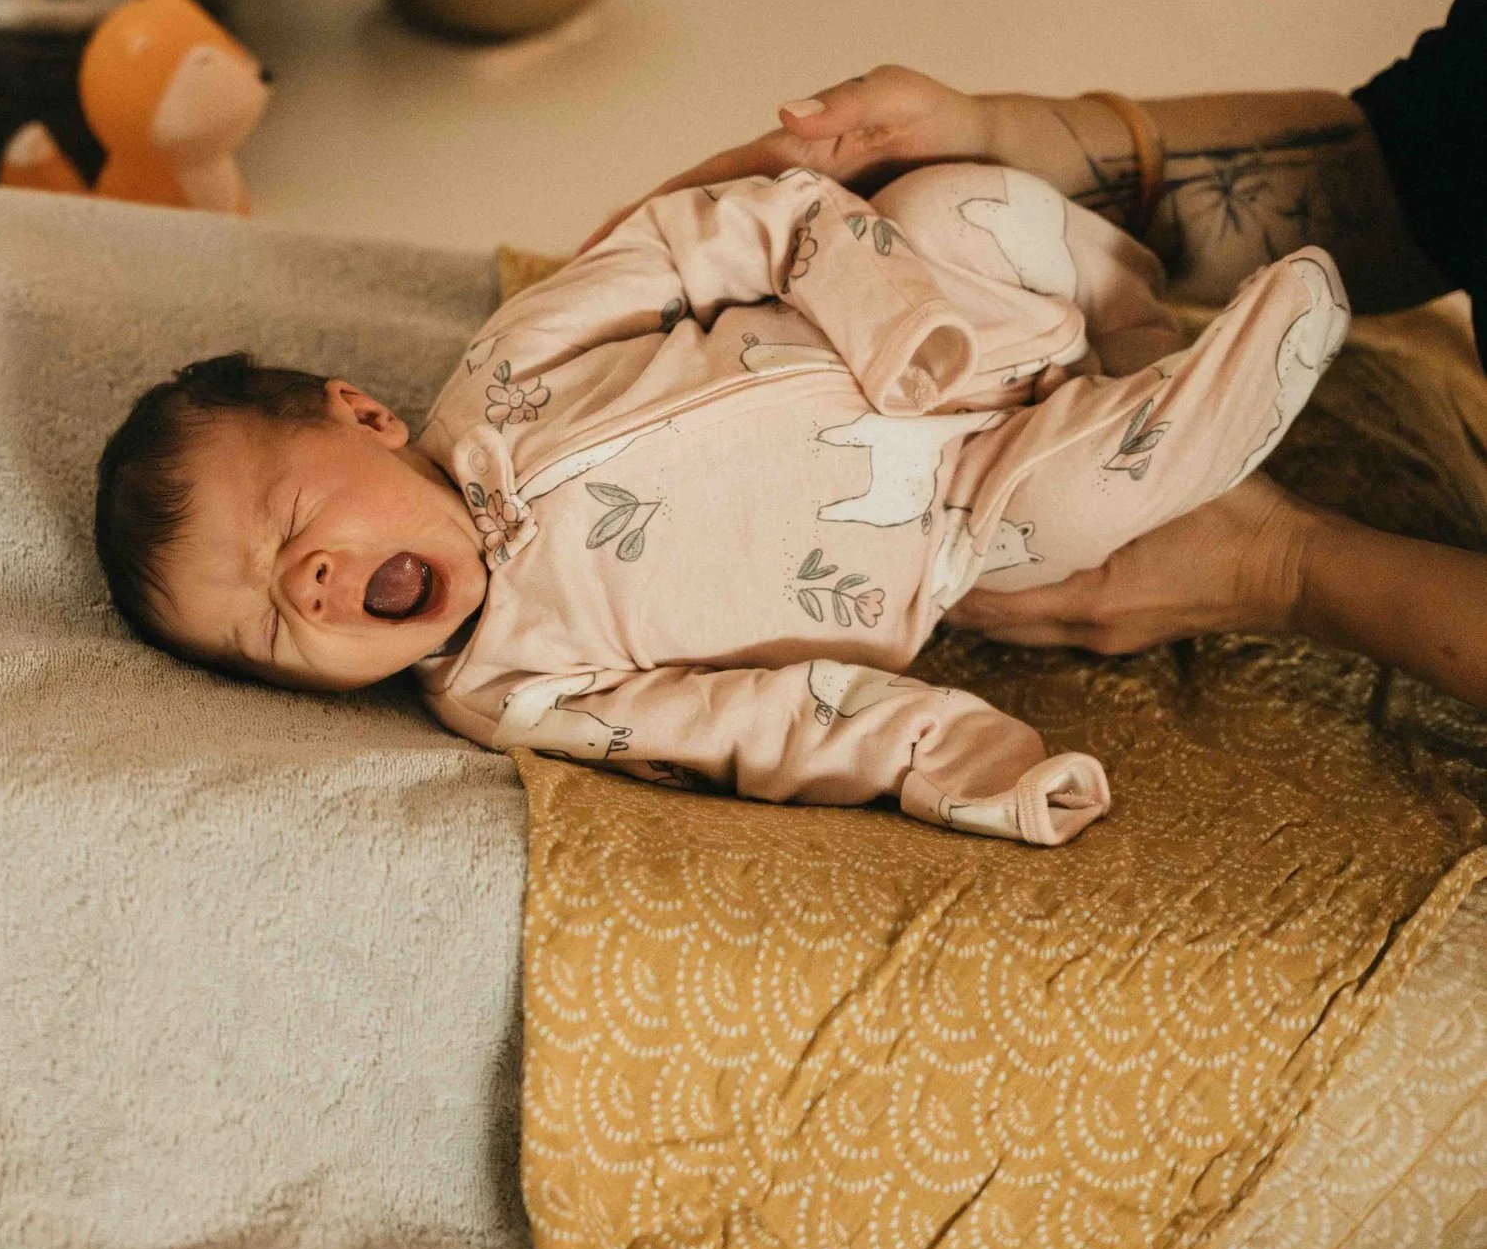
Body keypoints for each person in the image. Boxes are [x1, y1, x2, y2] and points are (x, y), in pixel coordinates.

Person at [94, 159, 1351, 845]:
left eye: (293, 518)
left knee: (955, 203)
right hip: (953, 515)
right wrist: (950, 757)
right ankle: (1196, 413)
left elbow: (712, 238)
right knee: (1064, 519)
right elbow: (759, 724)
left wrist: (887, 308)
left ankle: (1129, 315)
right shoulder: (517, 692)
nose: (307, 581)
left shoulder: (503, 371)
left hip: (915, 329)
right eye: (270, 627)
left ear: (363, 415)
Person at [615, 0, 1487, 707]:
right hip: (990, 340)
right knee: (938, 209)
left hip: (972, 478)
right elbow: (1418, 168)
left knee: (1050, 511)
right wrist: (1005, 137)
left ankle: (1196, 408)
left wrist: (1285, 565)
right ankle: (1158, 372)